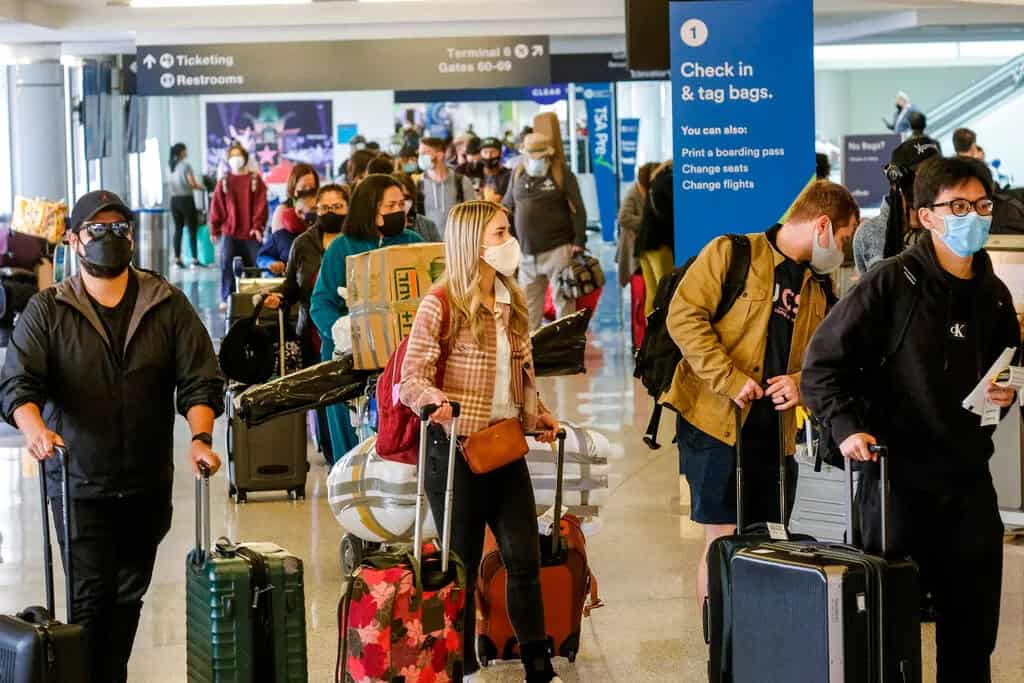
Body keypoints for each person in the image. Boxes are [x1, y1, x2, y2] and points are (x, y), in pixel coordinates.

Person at [801, 157, 1017, 683]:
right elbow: (821, 366)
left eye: (983, 206)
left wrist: (1003, 395)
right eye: (959, 207)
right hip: (894, 481)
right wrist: (847, 426)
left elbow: (1008, 368)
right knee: (888, 632)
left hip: (967, 481)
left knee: (971, 632)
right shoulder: (890, 284)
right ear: (924, 215)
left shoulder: (992, 294)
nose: (975, 217)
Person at [0, 190, 224, 683]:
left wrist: (200, 436)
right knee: (90, 600)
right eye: (95, 230)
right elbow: (18, 383)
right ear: (75, 240)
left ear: (132, 237)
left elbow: (199, 377)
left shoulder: (165, 304)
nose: (107, 238)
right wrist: (36, 432)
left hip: (146, 481)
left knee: (128, 599)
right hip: (78, 482)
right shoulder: (49, 310)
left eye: (118, 229)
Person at [663, 181, 860, 609]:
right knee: (723, 537)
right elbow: (683, 318)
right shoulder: (731, 253)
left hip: (775, 432)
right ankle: (723, 648)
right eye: (842, 239)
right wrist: (729, 378)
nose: (841, 252)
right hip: (715, 422)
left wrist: (800, 382)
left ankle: (757, 645)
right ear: (822, 225)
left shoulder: (818, 287)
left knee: (769, 539)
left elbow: (825, 359)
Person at [399, 200, 563, 683]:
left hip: (504, 447)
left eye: (507, 230)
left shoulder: (512, 302)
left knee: (524, 557)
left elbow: (523, 375)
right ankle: (461, 666)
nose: (509, 241)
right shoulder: (442, 302)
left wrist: (540, 418)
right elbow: (410, 378)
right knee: (460, 567)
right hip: (453, 453)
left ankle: (539, 665)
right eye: (499, 233)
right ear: (473, 243)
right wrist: (435, 401)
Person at [310, 174, 423, 457]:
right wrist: (340, 330)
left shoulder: (413, 243)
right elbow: (320, 302)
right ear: (370, 208)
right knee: (351, 440)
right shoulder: (342, 248)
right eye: (391, 205)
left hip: (399, 357)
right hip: (347, 357)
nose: (400, 210)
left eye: (402, 203)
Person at [265, 183, 349, 464]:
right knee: (322, 395)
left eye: (337, 206)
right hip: (312, 332)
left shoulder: (355, 243)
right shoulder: (303, 244)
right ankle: (330, 452)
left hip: (351, 332)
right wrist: (279, 297)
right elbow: (291, 284)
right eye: (325, 207)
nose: (331, 212)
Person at [502, 130, 587, 330]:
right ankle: (533, 352)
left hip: (557, 249)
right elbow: (507, 206)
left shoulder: (561, 173)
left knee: (564, 304)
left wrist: (579, 242)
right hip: (526, 253)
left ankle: (566, 349)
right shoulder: (518, 173)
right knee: (529, 309)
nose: (536, 160)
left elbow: (578, 209)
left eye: (540, 157)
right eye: (532, 156)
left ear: (548, 156)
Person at [853, 137, 941, 274]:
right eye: (924, 176)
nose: (933, 183)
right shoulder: (869, 233)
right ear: (897, 178)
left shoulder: (947, 226)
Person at [209, 141, 268, 304]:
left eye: (239, 155)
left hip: (250, 233)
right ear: (228, 159)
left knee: (255, 266)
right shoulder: (224, 182)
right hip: (230, 232)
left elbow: (261, 205)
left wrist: (258, 226)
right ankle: (227, 299)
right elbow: (217, 205)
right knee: (227, 265)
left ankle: (255, 298)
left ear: (245, 157)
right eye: (232, 156)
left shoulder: (256, 180)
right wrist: (214, 229)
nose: (236, 159)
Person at [617, 162, 660, 349]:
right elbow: (623, 217)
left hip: (644, 250)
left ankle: (644, 339)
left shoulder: (647, 192)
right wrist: (648, 222)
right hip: (635, 254)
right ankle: (641, 341)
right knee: (641, 299)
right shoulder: (634, 193)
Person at [259, 163, 319, 276]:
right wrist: (272, 264)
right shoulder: (282, 213)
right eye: (303, 188)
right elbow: (274, 250)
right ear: (293, 188)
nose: (307, 192)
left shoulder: (322, 215)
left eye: (312, 188)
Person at [634, 161, 675, 317]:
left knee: (652, 293)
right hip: (659, 244)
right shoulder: (666, 182)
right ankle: (661, 336)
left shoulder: (654, 183)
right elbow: (668, 215)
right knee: (665, 292)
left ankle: (650, 337)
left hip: (645, 245)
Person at [419, 136, 476, 235]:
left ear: (440, 155)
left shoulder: (461, 182)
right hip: (428, 244)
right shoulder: (418, 183)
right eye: (420, 153)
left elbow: (473, 215)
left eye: (425, 153)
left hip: (457, 243)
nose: (420, 157)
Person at [168, 143, 205, 270]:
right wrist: (203, 187)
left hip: (174, 200)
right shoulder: (186, 166)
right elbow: (192, 184)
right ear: (181, 152)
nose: (186, 152)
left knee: (178, 230)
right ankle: (194, 259)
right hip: (186, 200)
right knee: (192, 229)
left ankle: (177, 259)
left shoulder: (171, 166)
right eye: (185, 150)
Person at [393, 172, 441, 242]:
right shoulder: (380, 229)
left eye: (406, 197)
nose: (401, 203)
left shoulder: (428, 226)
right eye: (395, 199)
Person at [479, 137, 513, 204]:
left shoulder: (508, 175)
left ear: (500, 153)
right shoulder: (476, 173)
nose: (489, 156)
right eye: (485, 152)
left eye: (493, 152)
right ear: (480, 154)